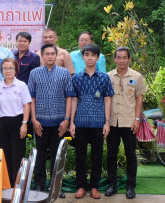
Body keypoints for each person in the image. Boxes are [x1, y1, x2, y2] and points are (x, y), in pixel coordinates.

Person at [28, 44, 74, 193]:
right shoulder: (34, 73)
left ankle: (56, 186)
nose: (50, 56)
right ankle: (40, 185)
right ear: (42, 56)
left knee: (57, 156)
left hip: (59, 123)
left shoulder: (64, 73)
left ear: (56, 55)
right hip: (39, 123)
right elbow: (31, 98)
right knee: (40, 155)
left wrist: (66, 119)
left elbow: (69, 97)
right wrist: (33, 119)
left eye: (52, 54)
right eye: (46, 54)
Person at [70, 44, 114, 199]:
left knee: (97, 155)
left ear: (97, 58)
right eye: (86, 54)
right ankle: (81, 186)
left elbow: (107, 99)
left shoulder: (104, 77)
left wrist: (107, 121)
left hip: (98, 123)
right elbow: (74, 100)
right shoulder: (76, 78)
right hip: (80, 122)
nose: (89, 57)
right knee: (80, 156)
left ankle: (94, 186)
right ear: (83, 57)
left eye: (93, 55)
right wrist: (71, 122)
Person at [106, 47, 147, 199]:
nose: (122, 60)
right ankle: (112, 185)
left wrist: (137, 119)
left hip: (129, 121)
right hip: (112, 122)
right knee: (111, 154)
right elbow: (106, 99)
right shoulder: (108, 76)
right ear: (114, 59)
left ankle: (131, 187)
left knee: (131, 155)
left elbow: (139, 99)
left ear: (129, 59)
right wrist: (106, 120)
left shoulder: (137, 76)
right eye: (119, 57)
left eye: (125, 57)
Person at [0, 58, 31, 186]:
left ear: (16, 70)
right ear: (1, 70)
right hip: (3, 123)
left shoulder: (21, 85)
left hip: (18, 122)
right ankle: (7, 184)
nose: (8, 71)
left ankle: (18, 184)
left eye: (11, 68)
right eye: (5, 68)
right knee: (5, 154)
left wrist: (24, 123)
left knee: (17, 155)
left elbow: (27, 105)